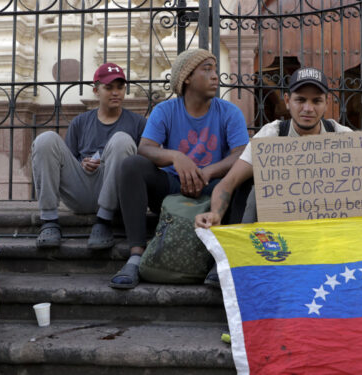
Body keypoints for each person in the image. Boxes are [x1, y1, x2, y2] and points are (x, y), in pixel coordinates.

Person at [195, 67, 362, 230]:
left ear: (326, 103)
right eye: (300, 100)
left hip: (326, 235)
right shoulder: (271, 135)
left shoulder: (341, 135)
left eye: (316, 101)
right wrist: (216, 213)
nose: (307, 108)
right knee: (251, 187)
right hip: (277, 237)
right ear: (288, 101)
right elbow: (229, 183)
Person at [107, 48, 250, 289]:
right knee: (132, 165)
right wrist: (176, 157)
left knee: (245, 178)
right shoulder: (166, 110)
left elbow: (241, 154)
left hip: (214, 188)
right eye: (206, 70)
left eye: (215, 69)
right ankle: (136, 256)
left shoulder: (229, 112)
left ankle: (223, 258)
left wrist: (209, 171)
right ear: (186, 78)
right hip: (173, 187)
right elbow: (146, 148)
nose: (215, 75)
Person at [32, 62, 146, 249]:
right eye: (108, 88)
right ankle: (49, 220)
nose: (115, 92)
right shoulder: (80, 122)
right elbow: (65, 162)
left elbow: (141, 169)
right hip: (81, 190)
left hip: (116, 194)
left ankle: (104, 221)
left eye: (120, 87)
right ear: (96, 91)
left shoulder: (138, 123)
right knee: (46, 139)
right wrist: (82, 163)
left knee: (122, 140)